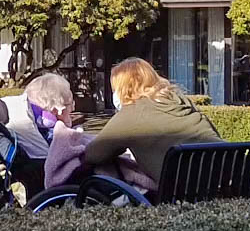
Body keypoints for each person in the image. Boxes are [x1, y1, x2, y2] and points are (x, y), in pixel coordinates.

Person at [84, 57, 221, 193]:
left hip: (182, 193)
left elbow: (93, 154)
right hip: (223, 181)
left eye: (115, 89)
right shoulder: (182, 101)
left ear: (124, 88)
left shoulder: (132, 113)